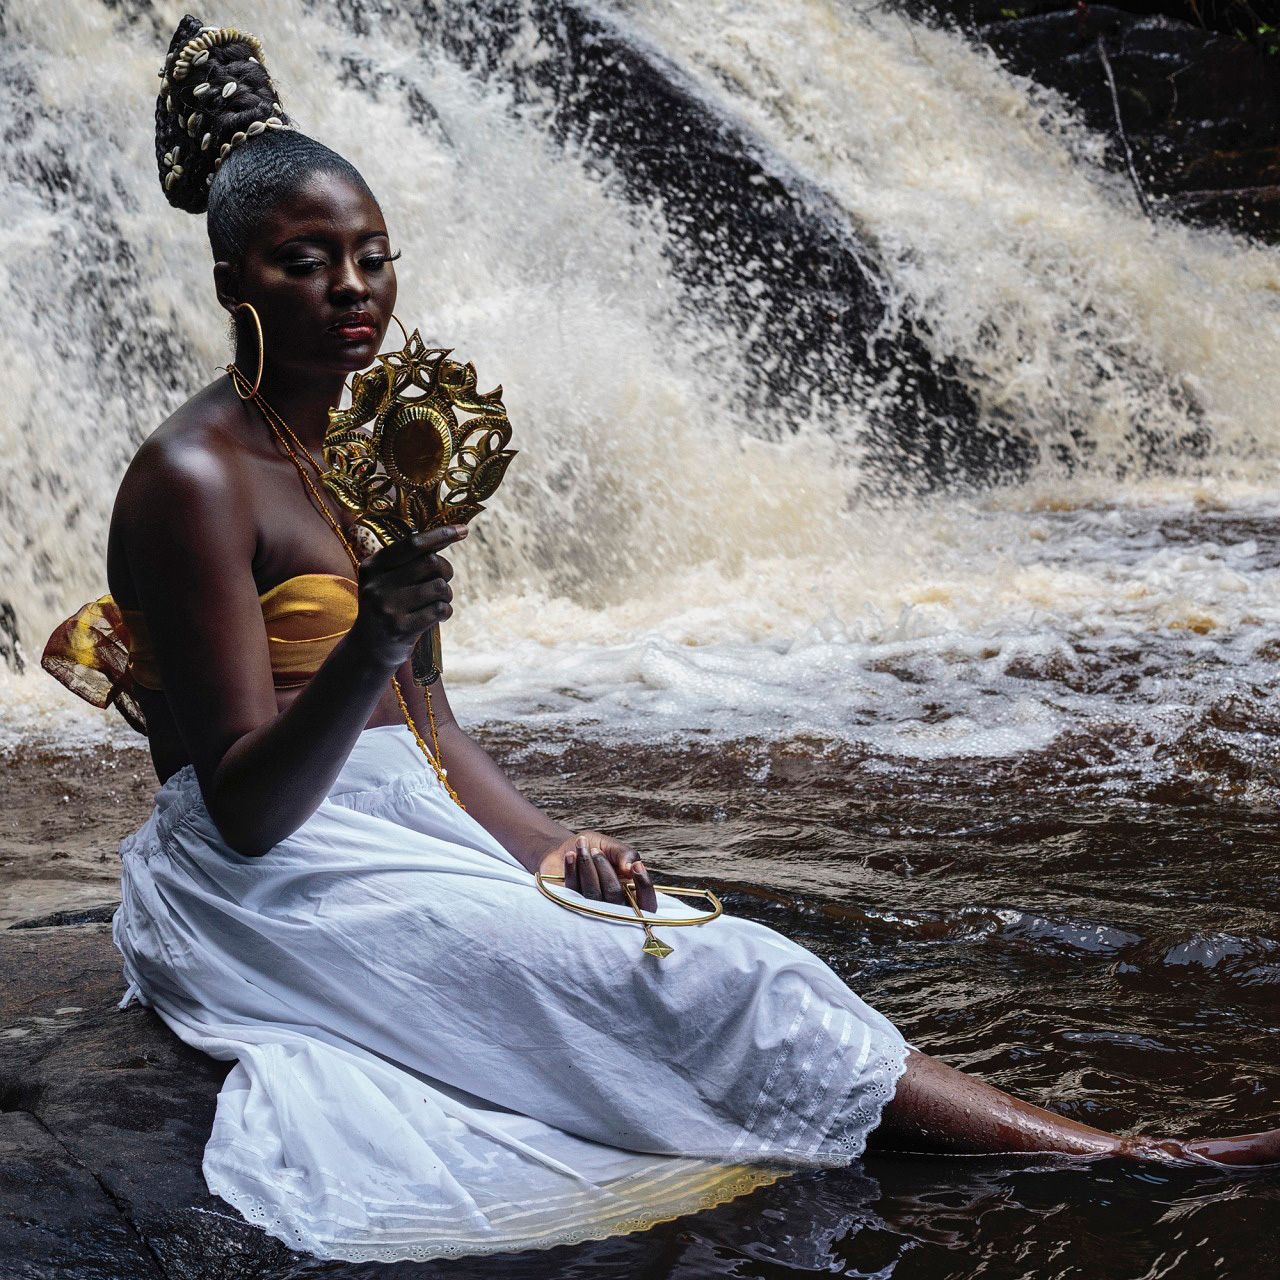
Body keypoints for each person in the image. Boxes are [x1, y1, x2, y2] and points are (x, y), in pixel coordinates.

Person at [41, 14, 1278, 1266]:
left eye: (371, 257)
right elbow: (243, 803)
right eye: (305, 261)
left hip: (401, 827)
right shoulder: (191, 478)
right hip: (264, 883)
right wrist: (367, 646)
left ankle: (1095, 1145)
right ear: (231, 282)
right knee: (708, 980)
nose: (350, 289)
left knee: (684, 941)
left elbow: (432, 729)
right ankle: (1131, 1161)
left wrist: (546, 844)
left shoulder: (367, 448)